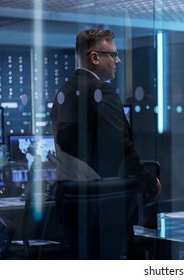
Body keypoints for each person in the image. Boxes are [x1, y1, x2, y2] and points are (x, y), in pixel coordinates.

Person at [50, 29, 160, 258]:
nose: (117, 60)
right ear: (95, 57)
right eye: (113, 54)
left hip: (73, 206)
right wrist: (149, 182)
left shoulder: (63, 92)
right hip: (106, 208)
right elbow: (120, 147)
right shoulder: (102, 91)